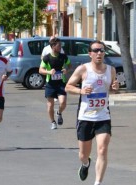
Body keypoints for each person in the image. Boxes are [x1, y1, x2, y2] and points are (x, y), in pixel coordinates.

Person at [65, 41, 119, 185]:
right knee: (83, 154)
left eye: (102, 50)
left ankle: (98, 183)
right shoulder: (83, 70)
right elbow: (68, 87)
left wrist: (115, 87)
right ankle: (85, 164)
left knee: (102, 149)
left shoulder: (111, 70)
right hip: (85, 117)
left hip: (103, 117)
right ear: (90, 54)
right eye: (96, 51)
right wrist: (80, 91)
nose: (99, 53)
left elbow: (113, 88)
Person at [39, 37, 71, 130]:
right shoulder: (47, 58)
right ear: (53, 46)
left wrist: (66, 70)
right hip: (51, 84)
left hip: (61, 83)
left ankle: (59, 112)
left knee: (63, 103)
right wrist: (49, 72)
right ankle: (53, 122)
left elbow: (69, 65)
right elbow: (40, 70)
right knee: (50, 105)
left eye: (61, 45)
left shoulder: (63, 56)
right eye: (59, 45)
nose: (61, 47)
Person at [41, 36, 65, 102]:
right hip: (50, 75)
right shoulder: (46, 49)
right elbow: (42, 57)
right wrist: (48, 71)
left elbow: (63, 58)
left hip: (60, 79)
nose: (60, 46)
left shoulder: (61, 50)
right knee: (50, 104)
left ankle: (57, 97)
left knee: (62, 101)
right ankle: (54, 95)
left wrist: (65, 69)